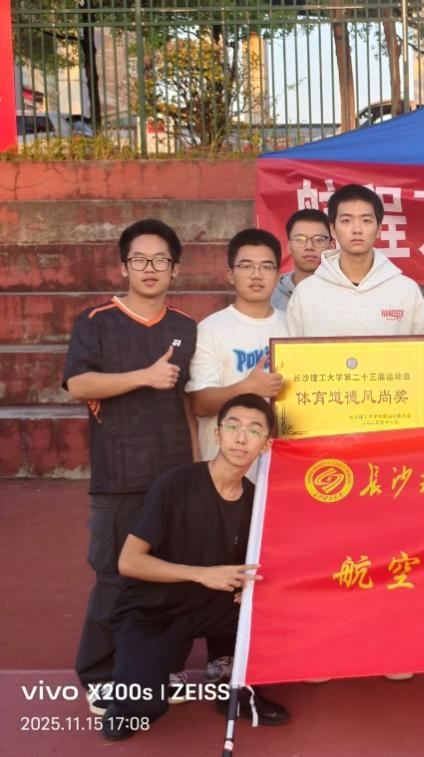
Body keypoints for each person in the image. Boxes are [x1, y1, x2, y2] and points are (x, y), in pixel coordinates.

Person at [63, 219, 198, 715]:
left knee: (171, 576)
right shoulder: (95, 321)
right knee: (114, 578)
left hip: (173, 473)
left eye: (160, 260)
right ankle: (100, 674)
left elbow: (189, 401)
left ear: (175, 269)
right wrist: (144, 376)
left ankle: (161, 667)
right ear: (124, 266)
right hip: (118, 476)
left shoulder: (186, 327)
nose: (150, 268)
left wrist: (196, 466)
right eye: (140, 259)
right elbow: (78, 385)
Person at [100, 394, 289, 741]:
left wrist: (247, 591)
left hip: (210, 605)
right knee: (142, 708)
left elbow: (256, 568)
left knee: (266, 607)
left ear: (265, 445)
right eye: (233, 427)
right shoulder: (175, 484)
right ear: (217, 434)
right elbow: (129, 562)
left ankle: (229, 680)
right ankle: (144, 681)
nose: (241, 437)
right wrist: (202, 574)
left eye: (254, 430)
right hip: (153, 610)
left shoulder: (255, 502)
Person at [187, 228, 288, 464]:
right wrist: (246, 387)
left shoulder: (293, 325)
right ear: (230, 275)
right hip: (224, 467)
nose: (256, 275)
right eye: (246, 266)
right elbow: (200, 403)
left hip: (279, 464)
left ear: (277, 275)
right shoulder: (210, 329)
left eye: (266, 267)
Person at [285, 183, 424, 336]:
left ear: (379, 229)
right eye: (346, 221)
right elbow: (291, 350)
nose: (357, 230)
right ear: (333, 229)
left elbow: (422, 350)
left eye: (366, 221)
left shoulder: (406, 290)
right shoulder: (306, 293)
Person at [271, 208, 331, 311]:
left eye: (318, 240)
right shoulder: (269, 295)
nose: (309, 246)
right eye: (300, 239)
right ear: (289, 247)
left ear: (331, 246)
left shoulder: (345, 290)